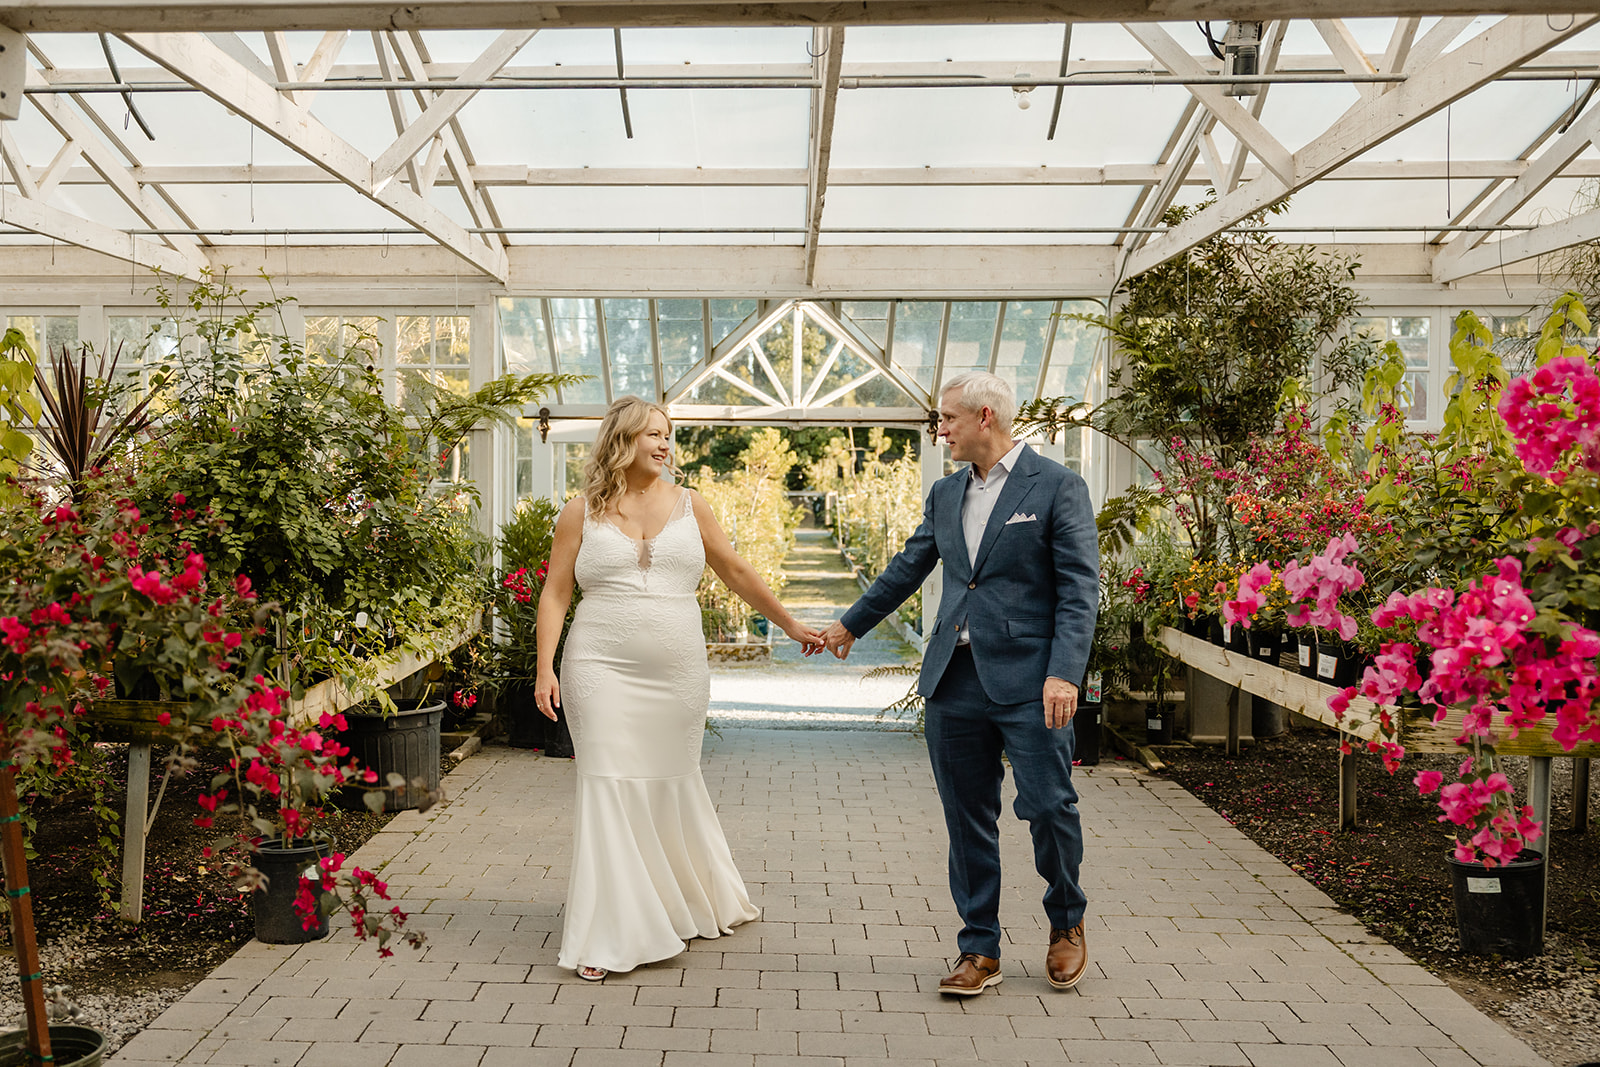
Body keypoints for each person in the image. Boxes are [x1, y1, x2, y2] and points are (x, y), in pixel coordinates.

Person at [819, 371, 1099, 996]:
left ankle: (1067, 923)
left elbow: (1081, 591)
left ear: (984, 418)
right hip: (954, 682)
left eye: (946, 419)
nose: (938, 429)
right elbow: (909, 566)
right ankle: (980, 949)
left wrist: (1063, 673)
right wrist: (849, 626)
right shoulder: (947, 492)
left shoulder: (1057, 487)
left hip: (1032, 682)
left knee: (1050, 807)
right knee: (967, 818)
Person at [535, 396, 824, 981]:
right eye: (652, 435)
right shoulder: (579, 511)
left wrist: (790, 623)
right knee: (608, 785)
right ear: (622, 440)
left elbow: (735, 569)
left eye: (668, 435)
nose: (664, 444)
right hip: (598, 666)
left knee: (668, 782)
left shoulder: (693, 505)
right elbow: (556, 593)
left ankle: (679, 898)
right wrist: (546, 669)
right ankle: (610, 932)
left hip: (677, 674)